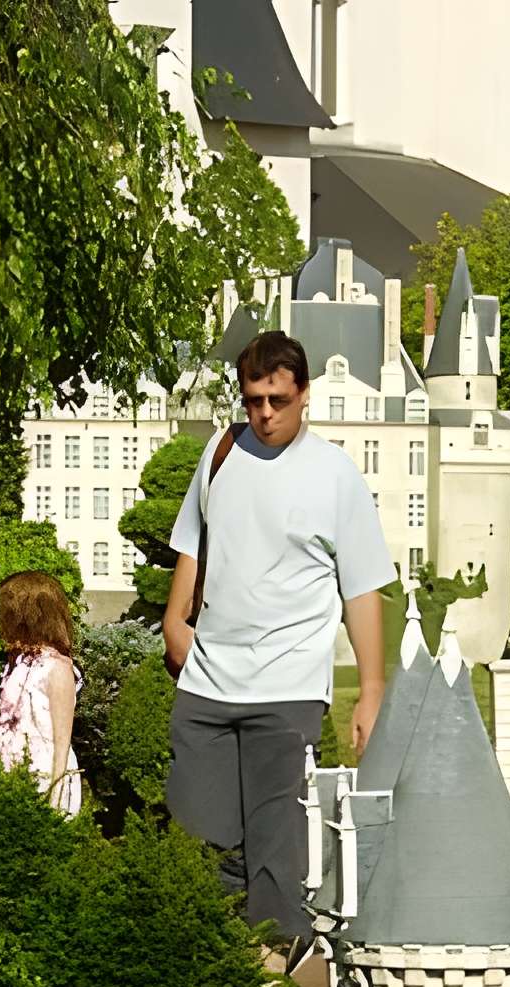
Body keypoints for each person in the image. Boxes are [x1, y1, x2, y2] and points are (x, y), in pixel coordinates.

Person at [164, 329, 393, 947]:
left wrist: (371, 690)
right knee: (194, 835)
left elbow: (363, 589)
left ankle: (266, 981)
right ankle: (204, 963)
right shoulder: (219, 452)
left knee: (273, 849)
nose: (264, 414)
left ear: (304, 395)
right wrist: (173, 620)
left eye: (277, 400)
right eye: (253, 400)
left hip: (288, 686)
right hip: (208, 680)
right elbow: (194, 539)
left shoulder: (336, 476)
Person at [0, 571, 83, 815]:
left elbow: (61, 739)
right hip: (4, 778)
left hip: (39, 782)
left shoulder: (57, 668)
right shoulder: (19, 662)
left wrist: (54, 800)